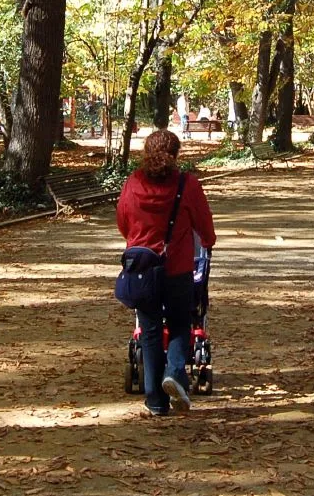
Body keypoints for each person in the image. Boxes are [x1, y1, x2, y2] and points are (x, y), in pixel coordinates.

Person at [117, 129, 216, 416]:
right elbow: (203, 224)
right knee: (179, 323)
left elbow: (123, 219)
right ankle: (174, 372)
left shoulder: (134, 182)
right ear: (176, 155)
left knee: (149, 331)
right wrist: (207, 242)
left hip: (143, 269)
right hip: (178, 267)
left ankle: (155, 402)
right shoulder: (187, 184)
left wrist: (136, 239)